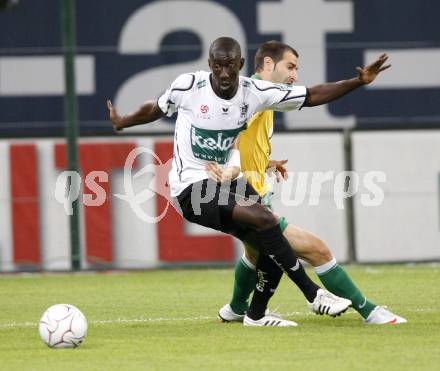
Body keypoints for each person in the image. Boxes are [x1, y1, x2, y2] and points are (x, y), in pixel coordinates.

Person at [107, 36, 385, 327]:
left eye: (230, 66)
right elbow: (156, 108)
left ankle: (255, 315)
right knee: (265, 219)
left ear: (239, 65)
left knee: (271, 243)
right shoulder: (189, 86)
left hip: (226, 184)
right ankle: (312, 293)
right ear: (210, 65)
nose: (224, 74)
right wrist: (123, 121)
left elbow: (312, 95)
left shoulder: (254, 92)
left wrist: (358, 81)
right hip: (190, 188)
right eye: (218, 66)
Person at [217, 41, 407, 325]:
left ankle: (235, 309)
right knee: (316, 249)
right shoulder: (254, 93)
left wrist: (263, 162)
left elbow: (242, 139)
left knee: (255, 254)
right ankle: (370, 311)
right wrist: (358, 81)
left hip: (244, 192)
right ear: (268, 64)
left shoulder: (260, 95)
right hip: (241, 195)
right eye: (290, 67)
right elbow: (231, 135)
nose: (294, 75)